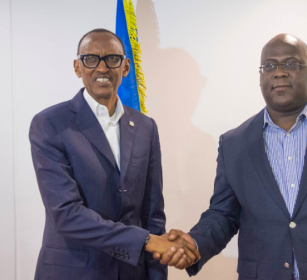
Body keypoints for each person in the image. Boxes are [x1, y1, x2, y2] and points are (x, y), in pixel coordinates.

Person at [155, 34, 307, 280]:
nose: (280, 72)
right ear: (261, 76)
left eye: (291, 64)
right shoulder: (233, 144)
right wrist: (193, 245)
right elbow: (224, 214)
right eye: (270, 65)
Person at [29, 29, 199, 280]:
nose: (102, 68)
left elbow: (153, 213)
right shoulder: (50, 123)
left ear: (126, 66)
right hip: (73, 272)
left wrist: (157, 272)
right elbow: (66, 214)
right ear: (77, 67)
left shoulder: (145, 127)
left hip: (132, 273)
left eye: (112, 59)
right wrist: (147, 241)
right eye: (90, 59)